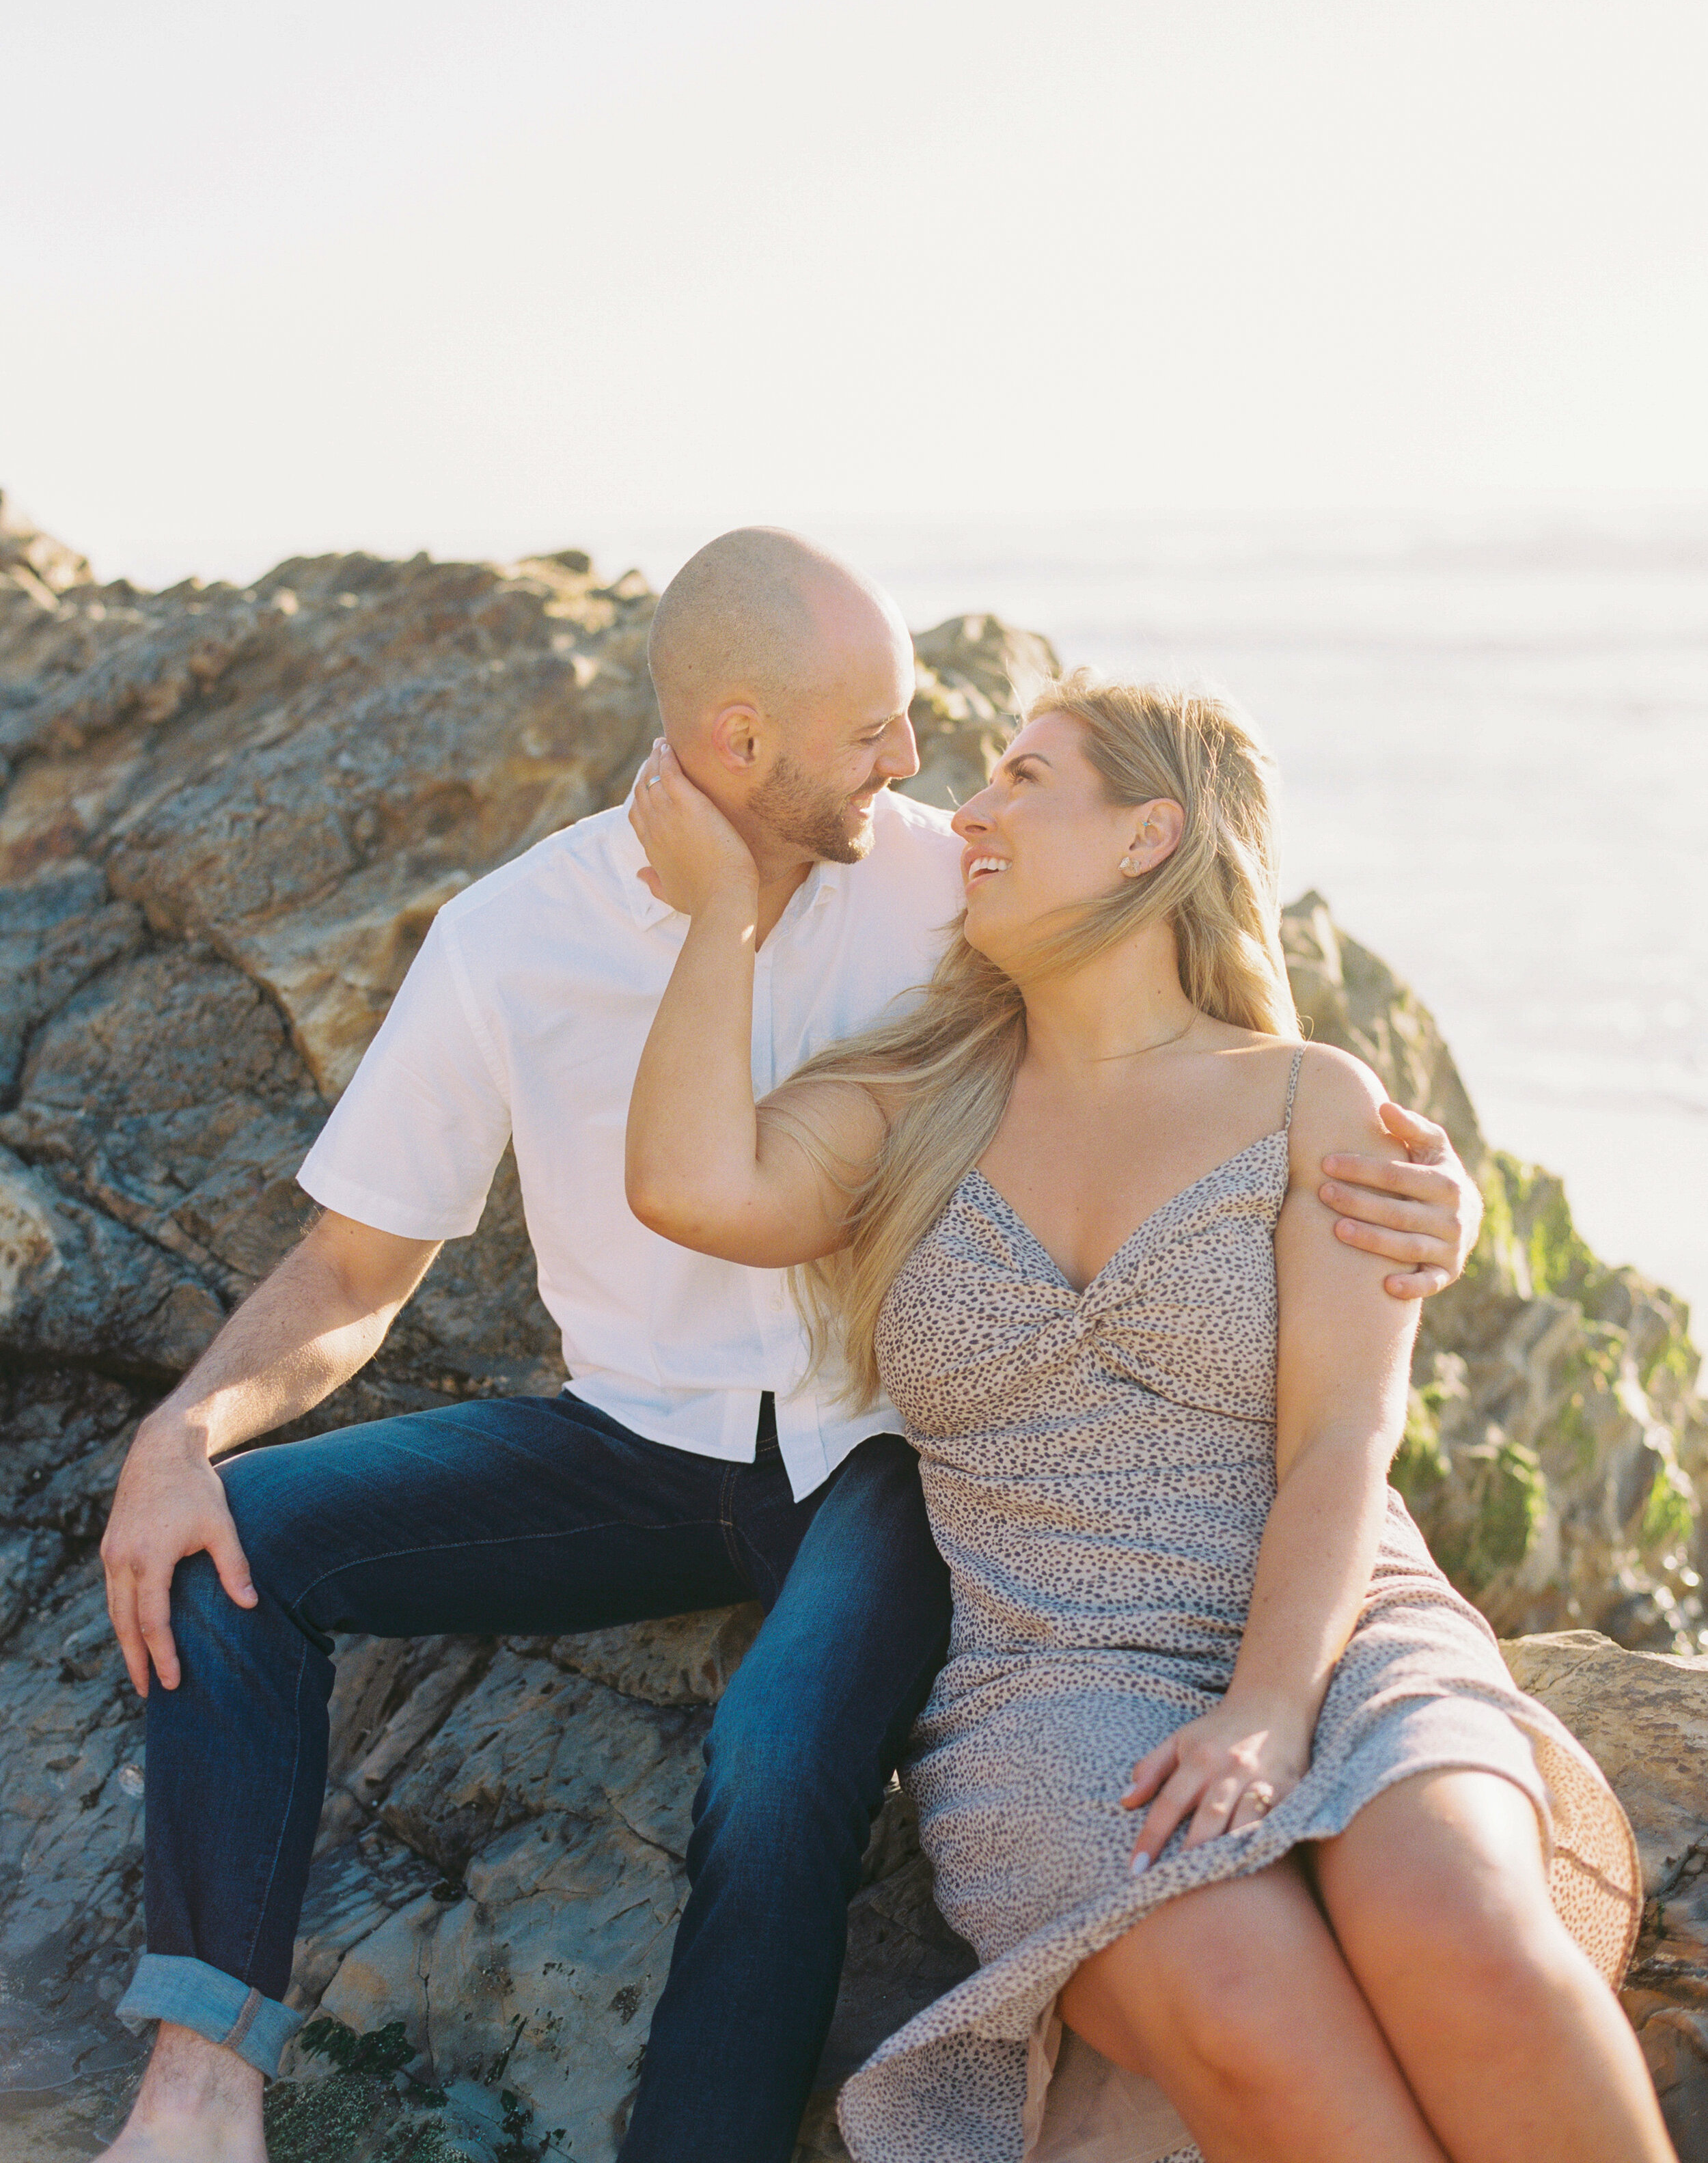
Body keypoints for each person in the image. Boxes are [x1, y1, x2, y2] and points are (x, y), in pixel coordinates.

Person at [97, 533, 1483, 2163]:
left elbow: (1179, 1039)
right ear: (740, 740)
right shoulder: (505, 937)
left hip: (890, 1455)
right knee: (227, 1540)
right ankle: (199, 2093)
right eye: (875, 729)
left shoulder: (946, 878)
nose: (917, 765)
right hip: (626, 1447)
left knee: (774, 1759)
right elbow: (352, 1265)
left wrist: (1403, 1192)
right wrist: (187, 1427)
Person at [622, 671, 1668, 2163]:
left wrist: (1263, 1706)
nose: (968, 812)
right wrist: (720, 906)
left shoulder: (1309, 1098)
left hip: (1338, 1624)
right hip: (1049, 1686)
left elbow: (1336, 1443)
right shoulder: (909, 1101)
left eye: (1021, 779)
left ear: (1145, 838)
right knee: (1254, 2026)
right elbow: (686, 1185)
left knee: (1472, 1944)